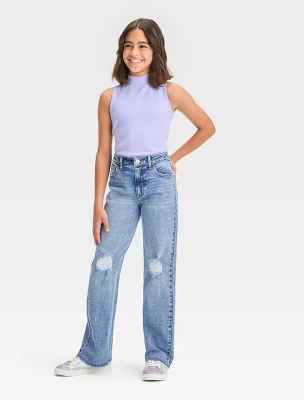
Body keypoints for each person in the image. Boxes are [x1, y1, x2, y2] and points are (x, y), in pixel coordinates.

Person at [54, 18, 215, 381]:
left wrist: (173, 159)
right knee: (104, 263)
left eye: (142, 45)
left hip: (159, 182)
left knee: (157, 267)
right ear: (121, 51)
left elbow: (207, 126)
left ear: (155, 50)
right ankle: (95, 354)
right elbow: (103, 151)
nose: (134, 52)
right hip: (121, 184)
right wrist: (97, 203)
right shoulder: (109, 97)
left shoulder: (171, 92)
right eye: (128, 45)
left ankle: (157, 356)